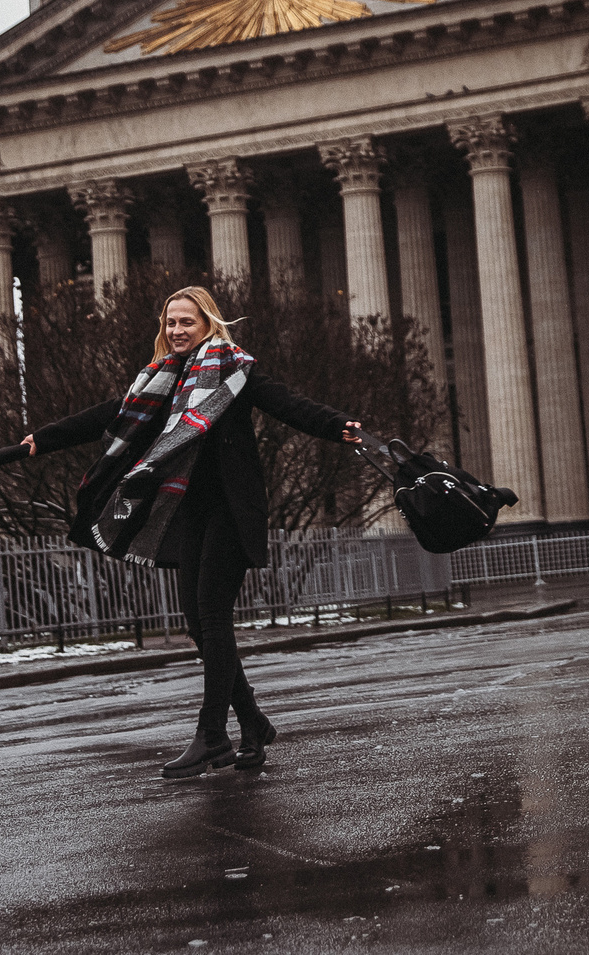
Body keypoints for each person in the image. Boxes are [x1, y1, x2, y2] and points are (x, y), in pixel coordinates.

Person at [18, 286, 361, 778]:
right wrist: (43, 438)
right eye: (171, 323)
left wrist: (337, 425)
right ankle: (253, 724)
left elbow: (288, 403)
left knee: (212, 617)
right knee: (198, 624)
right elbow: (107, 415)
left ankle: (213, 736)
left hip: (231, 509)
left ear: (209, 326)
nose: (177, 331)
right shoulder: (159, 380)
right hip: (187, 512)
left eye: (187, 323)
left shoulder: (235, 371)